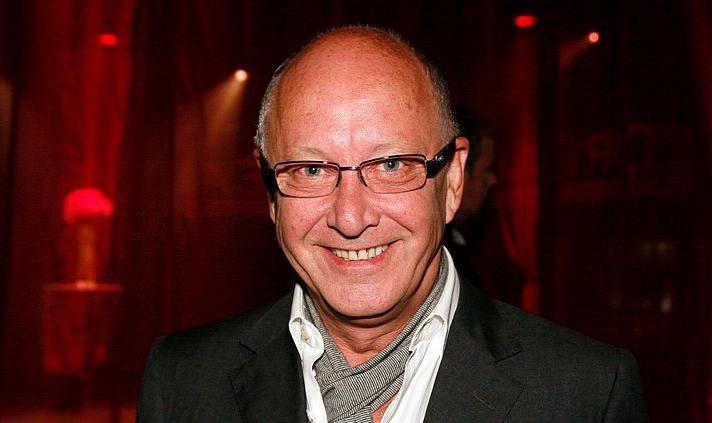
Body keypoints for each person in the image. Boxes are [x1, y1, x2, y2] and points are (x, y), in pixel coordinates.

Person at [137, 26, 648, 422]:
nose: (351, 217)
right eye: (311, 170)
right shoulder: (184, 380)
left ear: (452, 182)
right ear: (270, 192)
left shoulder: (585, 394)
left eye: (390, 165)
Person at [443, 106, 524, 304]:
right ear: (457, 172)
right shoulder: (447, 261)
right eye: (486, 169)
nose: (492, 180)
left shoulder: (461, 246)